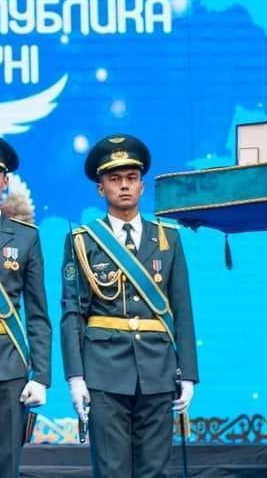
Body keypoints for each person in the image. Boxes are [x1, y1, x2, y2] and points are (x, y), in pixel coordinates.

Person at [60, 134, 198, 478]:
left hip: (158, 369)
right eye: (115, 178)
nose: (124, 185)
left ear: (142, 185)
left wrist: (188, 374)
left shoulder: (167, 238)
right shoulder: (83, 241)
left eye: (131, 178)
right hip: (104, 371)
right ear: (100, 188)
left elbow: (182, 309)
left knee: (155, 471)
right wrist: (75, 377)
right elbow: (72, 314)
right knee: (111, 471)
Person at [0, 134, 51, 478]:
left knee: (5, 465)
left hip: (9, 362)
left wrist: (41, 376)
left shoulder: (26, 236)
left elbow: (38, 313)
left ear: (5, 181)